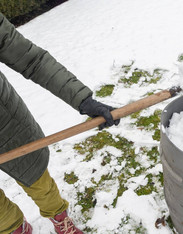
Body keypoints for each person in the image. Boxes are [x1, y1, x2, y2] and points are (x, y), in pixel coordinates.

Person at [0, 12, 119, 234]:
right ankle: (16, 229)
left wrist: (82, 100)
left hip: (5, 124)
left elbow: (32, 60)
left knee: (37, 179)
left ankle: (59, 219)